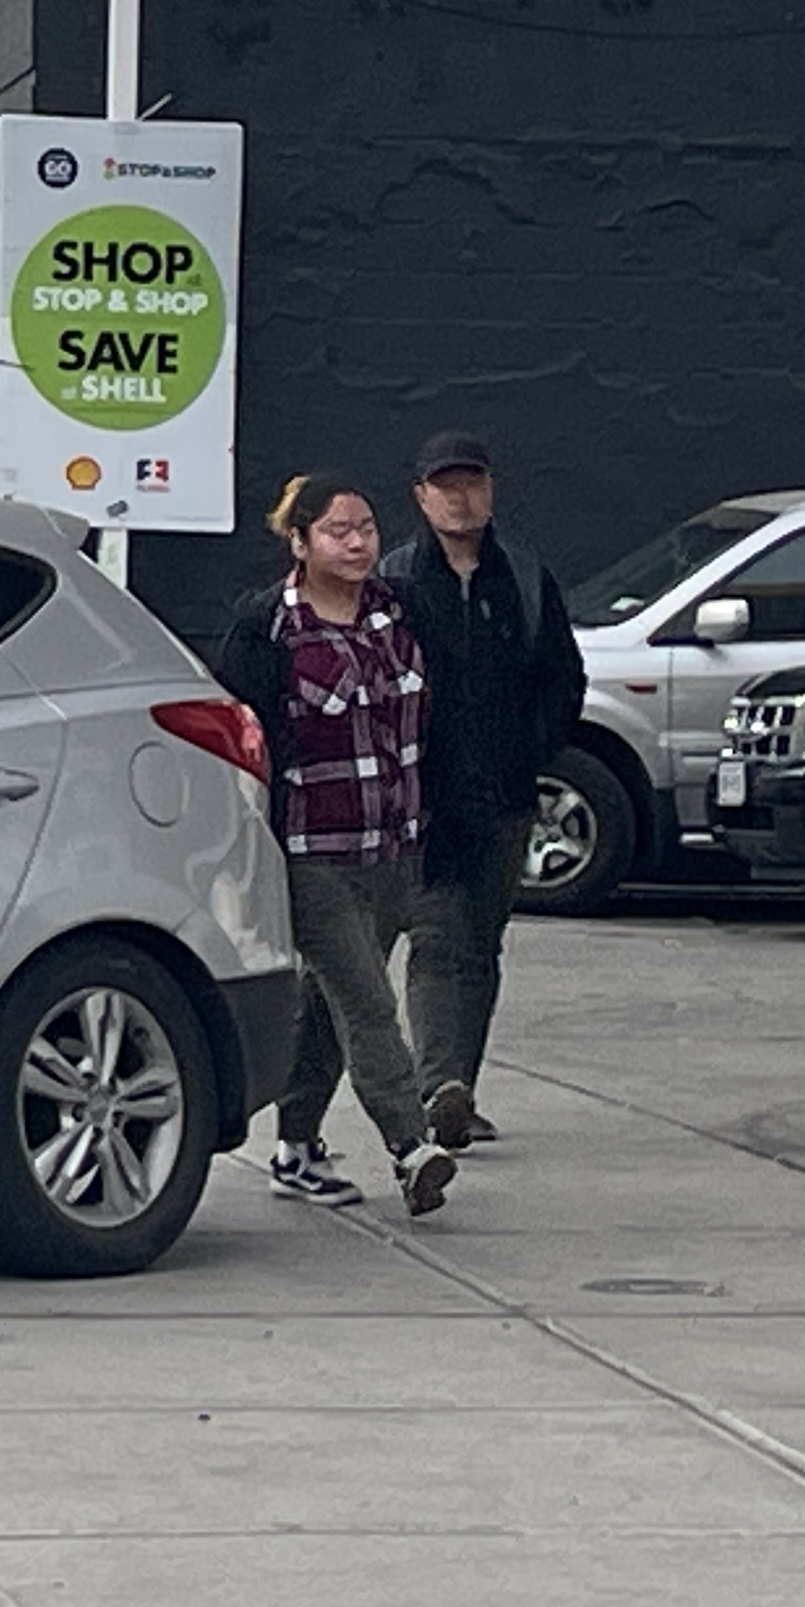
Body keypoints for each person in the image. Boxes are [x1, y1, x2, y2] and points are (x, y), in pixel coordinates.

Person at [212, 473, 456, 1217]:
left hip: (394, 845)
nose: (356, 543)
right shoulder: (268, 629)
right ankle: (412, 1149)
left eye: (367, 529)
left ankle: (294, 1148)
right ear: (300, 541)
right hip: (312, 848)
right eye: (337, 531)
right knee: (369, 1001)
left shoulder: (401, 613)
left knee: (327, 1007)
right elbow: (241, 737)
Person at [378, 429, 583, 1152]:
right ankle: (438, 1087)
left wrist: (531, 750)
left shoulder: (523, 577)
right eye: (447, 485)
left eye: (473, 483)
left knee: (482, 946)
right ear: (421, 497)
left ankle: (460, 1088)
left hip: (504, 798)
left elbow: (563, 676)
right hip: (427, 803)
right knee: (435, 940)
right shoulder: (397, 581)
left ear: (491, 491)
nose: (461, 498)